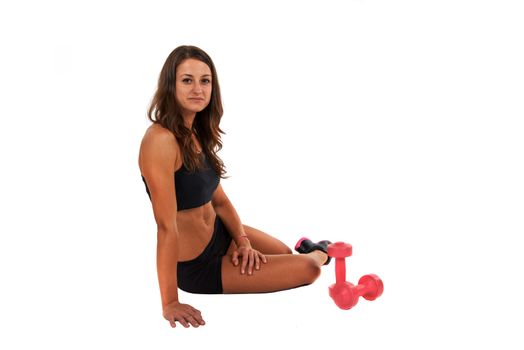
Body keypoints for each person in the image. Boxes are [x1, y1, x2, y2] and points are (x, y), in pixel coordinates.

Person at [138, 45, 332, 329]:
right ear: (171, 84)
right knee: (309, 268)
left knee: (283, 252)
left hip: (220, 235)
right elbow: (166, 226)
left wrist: (241, 241)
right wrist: (169, 302)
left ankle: (300, 248)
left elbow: (219, 202)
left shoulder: (196, 132)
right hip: (198, 265)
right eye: (187, 80)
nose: (198, 88)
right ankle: (320, 252)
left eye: (205, 80)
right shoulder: (160, 141)